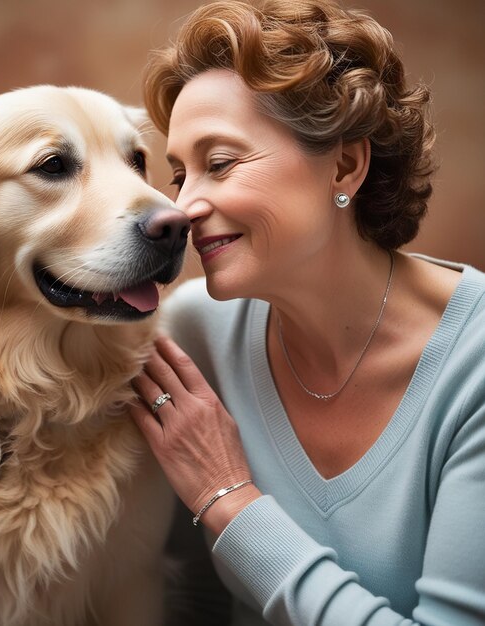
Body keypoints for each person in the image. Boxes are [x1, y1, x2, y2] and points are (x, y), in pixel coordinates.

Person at [128, 1, 485, 624]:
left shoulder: (473, 366)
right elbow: (192, 598)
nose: (182, 207)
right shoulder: (192, 334)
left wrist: (231, 501)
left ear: (344, 164)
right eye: (178, 175)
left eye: (219, 164)